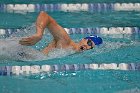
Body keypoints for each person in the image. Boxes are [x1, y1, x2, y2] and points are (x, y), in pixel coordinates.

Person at [19, 11, 102, 54]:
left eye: (91, 47)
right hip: (22, 54)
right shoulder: (66, 41)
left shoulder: (71, 52)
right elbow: (44, 15)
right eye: (89, 43)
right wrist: (39, 34)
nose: (87, 46)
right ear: (84, 39)